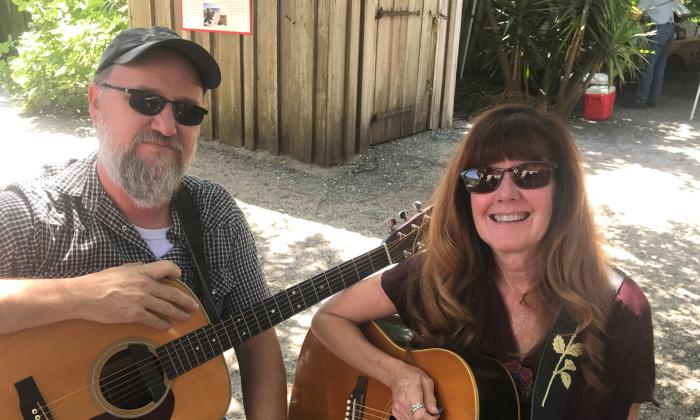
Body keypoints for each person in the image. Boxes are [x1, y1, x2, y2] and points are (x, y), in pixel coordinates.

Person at [0, 26, 286, 419]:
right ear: (96, 102)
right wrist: (81, 296)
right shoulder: (31, 214)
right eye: (146, 101)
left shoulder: (215, 213)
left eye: (186, 111)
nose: (167, 127)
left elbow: (257, 339)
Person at [311, 104, 656, 419]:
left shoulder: (620, 311)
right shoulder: (438, 276)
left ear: (563, 190)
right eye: (483, 178)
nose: (505, 194)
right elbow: (330, 317)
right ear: (467, 196)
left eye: (530, 174)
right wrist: (398, 375)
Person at [628, 0, 676, 108]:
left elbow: (634, 16)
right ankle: (652, 100)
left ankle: (640, 100)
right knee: (659, 66)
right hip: (670, 29)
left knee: (648, 65)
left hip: (659, 30)